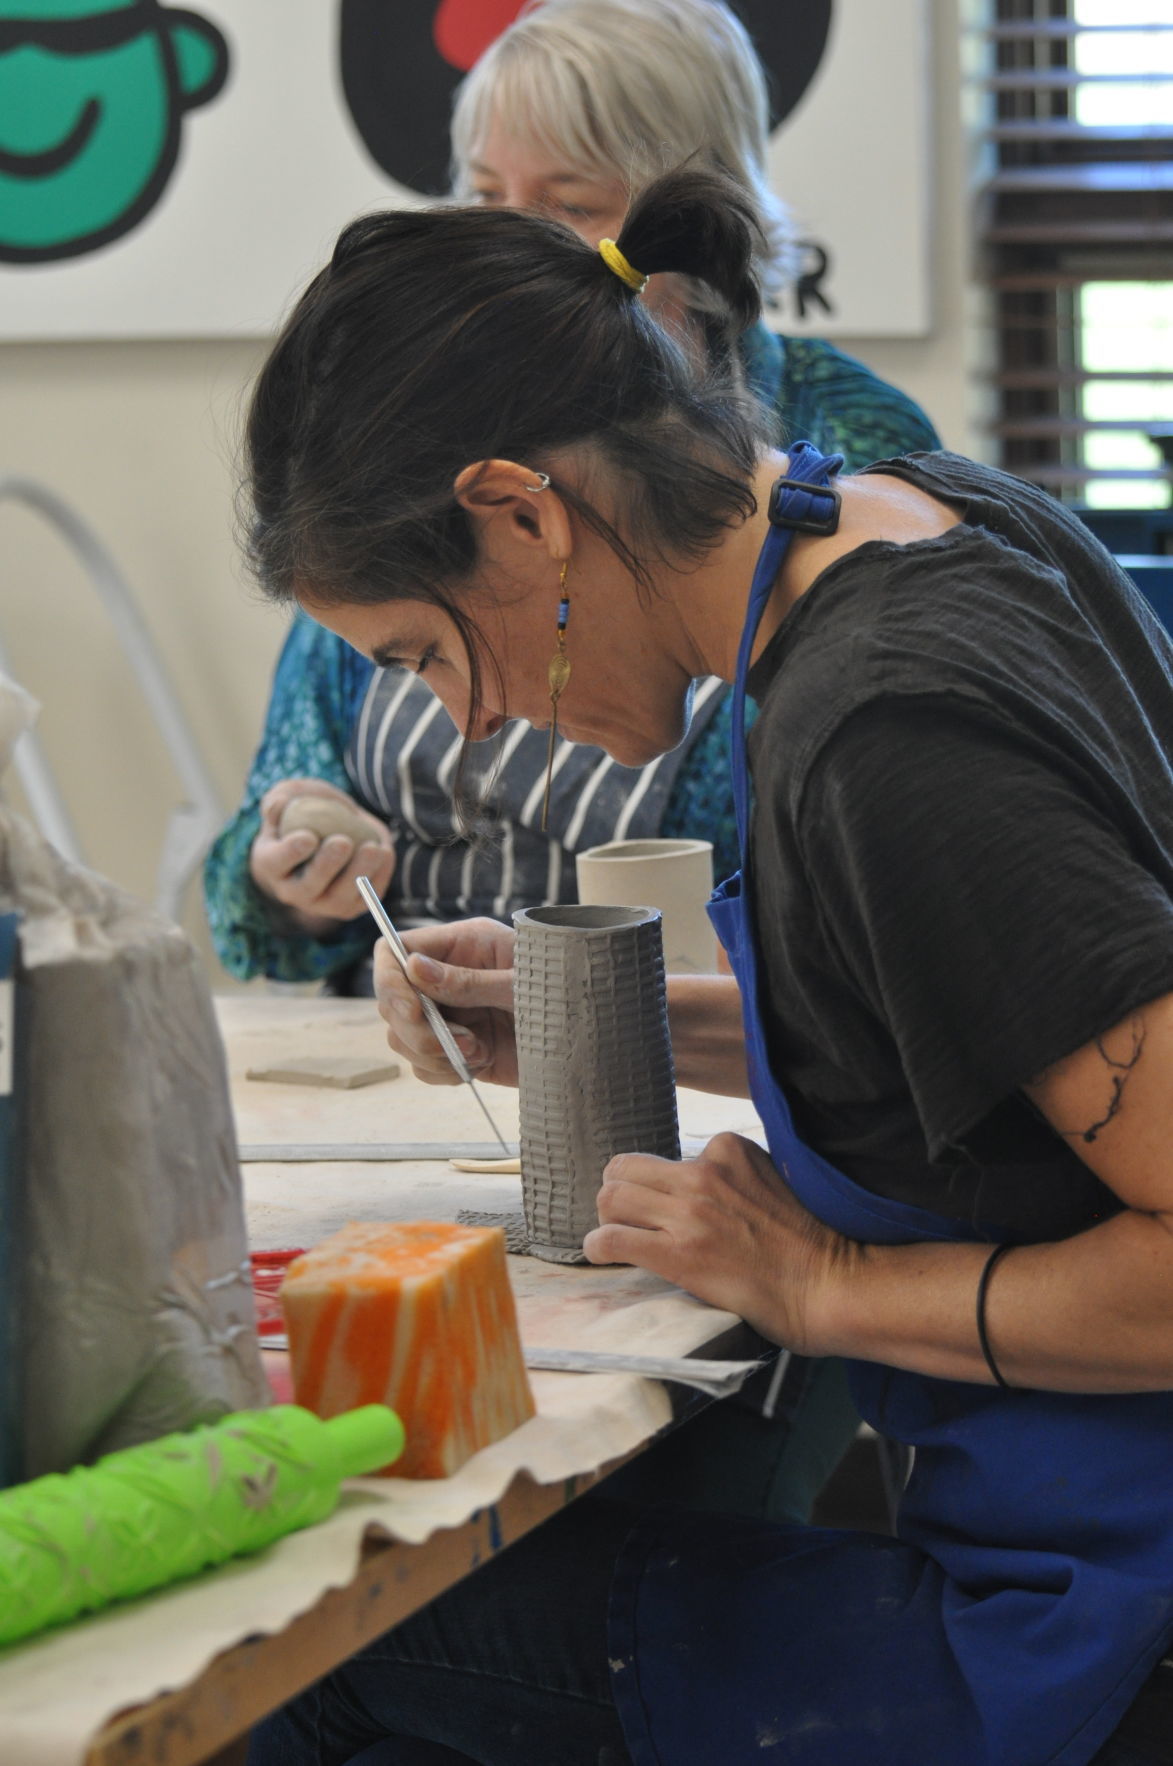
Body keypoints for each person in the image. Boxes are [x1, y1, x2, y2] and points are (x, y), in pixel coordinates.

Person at [238, 165, 1173, 1763]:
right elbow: (972, 1030)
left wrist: (825, 1284)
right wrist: (597, 1017)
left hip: (1092, 1630)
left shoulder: (884, 727)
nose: (452, 725)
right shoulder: (922, 520)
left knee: (320, 1634)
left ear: (523, 512)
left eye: (416, 652)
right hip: (1088, 1563)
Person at [202, 0, 940, 992]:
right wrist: (294, 868)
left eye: (569, 205)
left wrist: (596, 1000)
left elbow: (850, 894)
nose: (509, 240)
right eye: (482, 194)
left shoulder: (845, 469)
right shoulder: (406, 439)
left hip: (704, 1041)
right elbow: (258, 848)